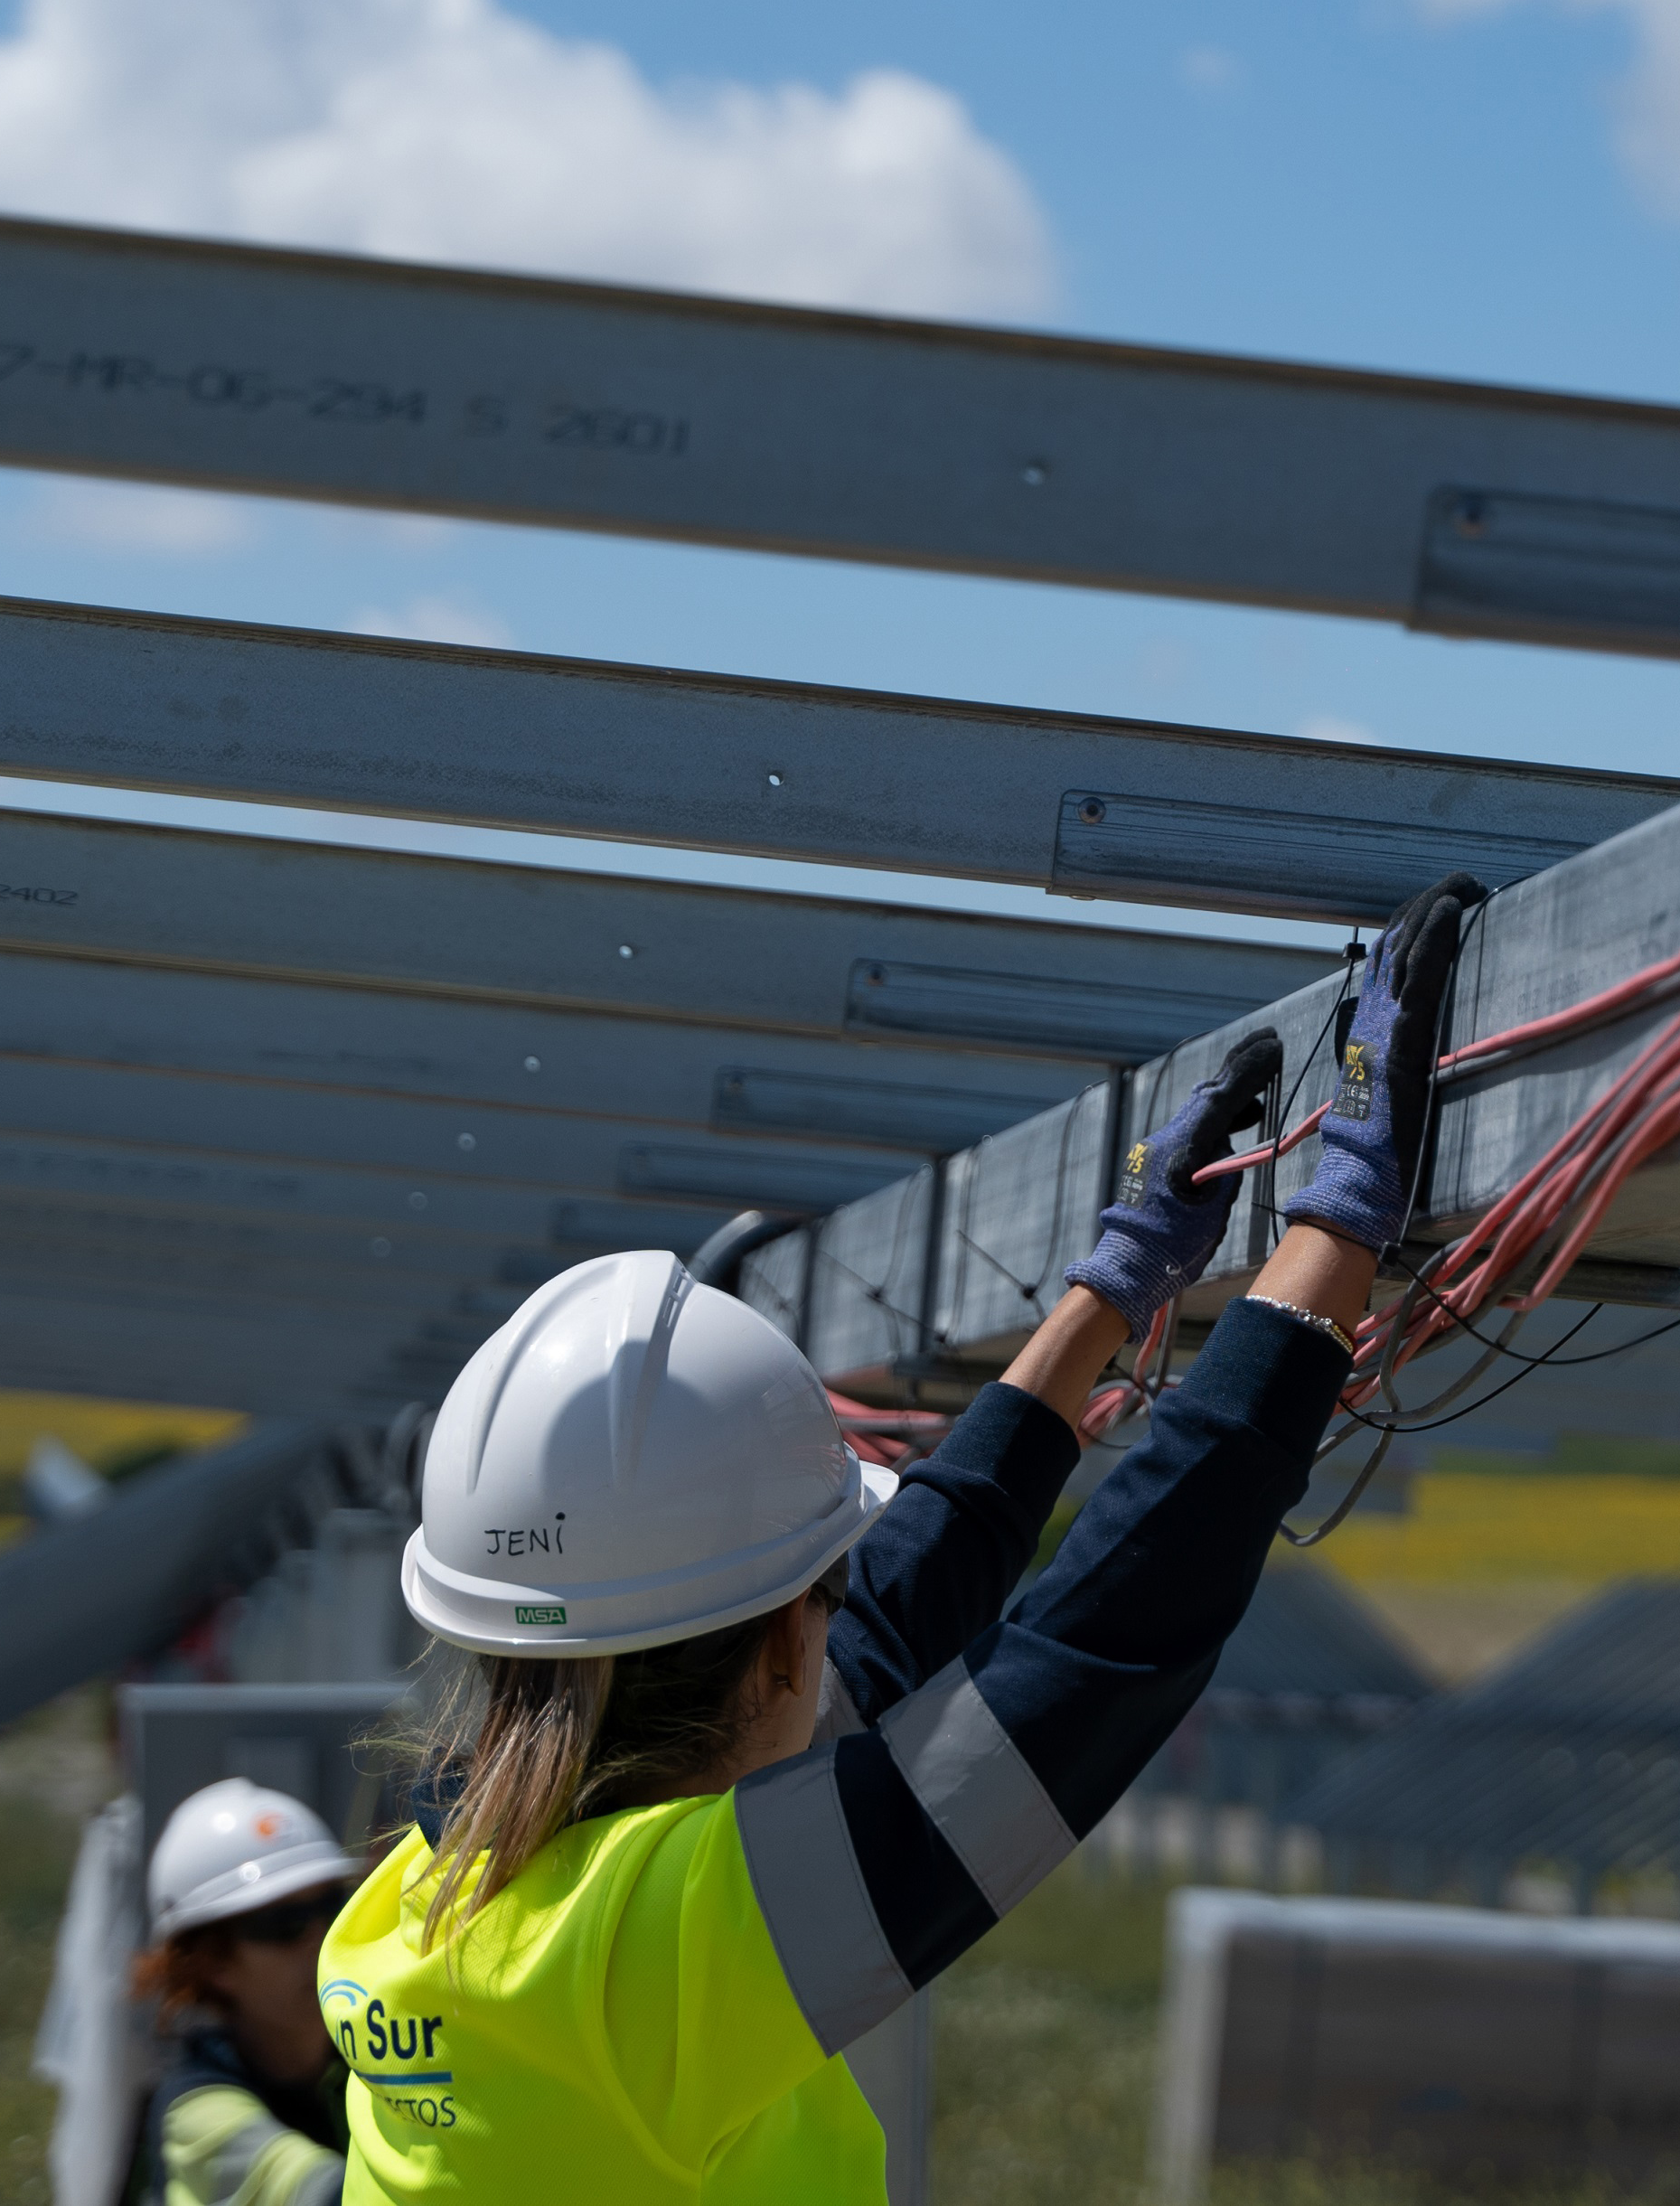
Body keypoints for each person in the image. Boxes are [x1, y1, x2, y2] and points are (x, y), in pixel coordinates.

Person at [317, 873, 1482, 2202]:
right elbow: (1074, 1666)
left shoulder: (429, 1904)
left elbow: (882, 1634)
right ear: (764, 1661)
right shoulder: (654, 1954)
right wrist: (1337, 1214)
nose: (836, 1620)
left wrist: (1117, 1282)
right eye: (809, 1602)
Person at [136, 1778, 360, 2206]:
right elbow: (329, 2195)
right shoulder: (196, 2114)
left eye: (334, 1906)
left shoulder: (370, 2062)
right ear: (213, 1961)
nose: (324, 1938)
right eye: (284, 1923)